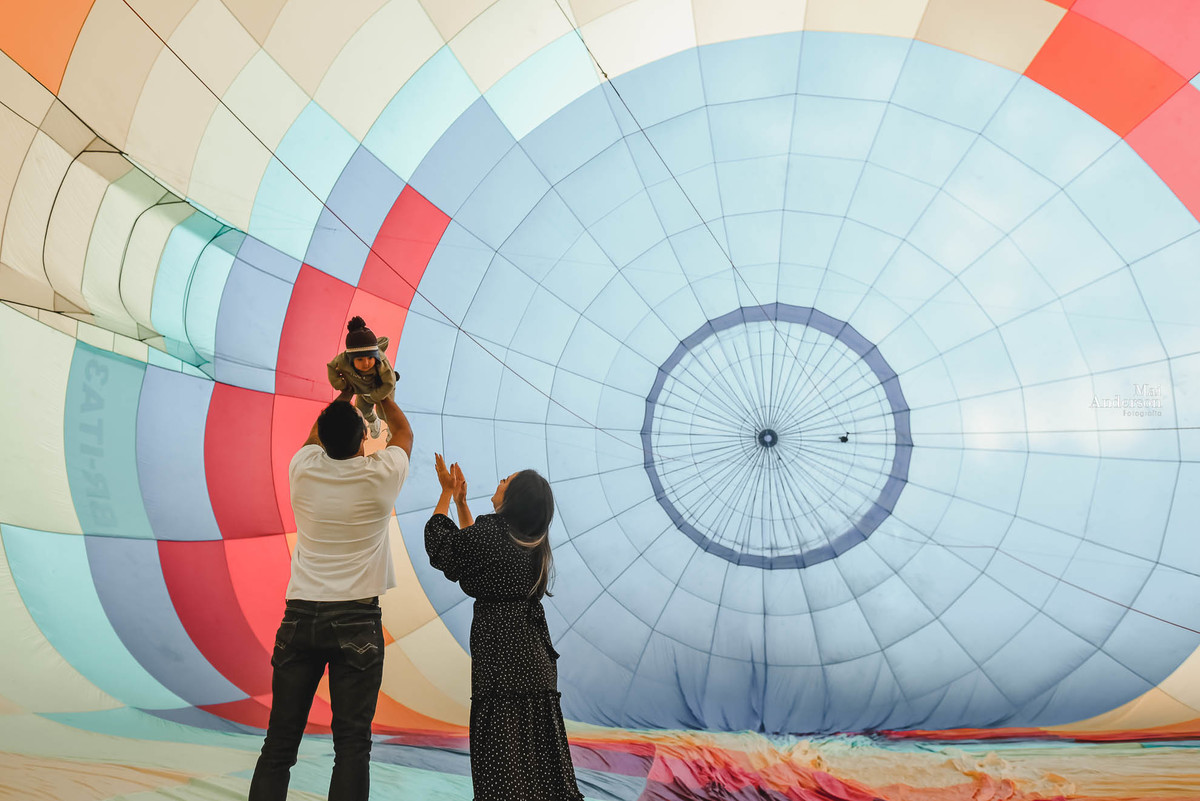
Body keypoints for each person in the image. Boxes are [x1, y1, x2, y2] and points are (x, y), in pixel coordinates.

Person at [248, 389, 413, 801]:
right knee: (352, 748)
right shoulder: (380, 477)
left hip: (299, 619)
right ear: (364, 439)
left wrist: (347, 390)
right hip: (357, 621)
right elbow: (403, 434)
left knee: (279, 744)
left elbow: (314, 436)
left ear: (322, 438)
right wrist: (382, 394)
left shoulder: (302, 470)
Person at [424, 457, 585, 801]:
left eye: (504, 480)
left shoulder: (492, 531)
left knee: (502, 763)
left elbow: (444, 549)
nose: (498, 483)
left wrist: (447, 494)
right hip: (534, 663)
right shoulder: (534, 543)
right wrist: (462, 504)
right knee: (539, 765)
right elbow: (477, 555)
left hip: (501, 664)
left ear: (514, 497)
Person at [327, 316, 396, 439]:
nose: (366, 363)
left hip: (382, 389)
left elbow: (389, 383)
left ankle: (393, 429)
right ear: (351, 359)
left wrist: (375, 396)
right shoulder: (343, 360)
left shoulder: (381, 362)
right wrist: (340, 384)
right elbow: (331, 367)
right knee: (361, 411)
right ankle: (374, 421)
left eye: (370, 358)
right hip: (362, 390)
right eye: (360, 359)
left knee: (384, 413)